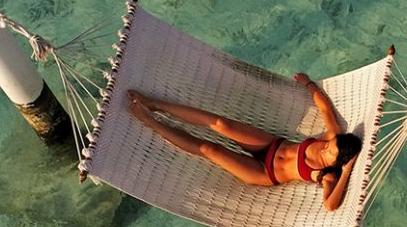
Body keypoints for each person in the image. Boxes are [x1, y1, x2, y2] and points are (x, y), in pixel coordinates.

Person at [126, 73, 362, 211]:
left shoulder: (328, 176)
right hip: (270, 145)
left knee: (210, 149)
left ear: (337, 161)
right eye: (330, 143)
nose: (326, 146)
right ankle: (154, 104)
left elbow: (331, 205)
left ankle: (150, 122)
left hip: (264, 172)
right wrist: (308, 83)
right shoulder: (333, 136)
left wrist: (348, 170)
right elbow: (324, 107)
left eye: (330, 151)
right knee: (221, 124)